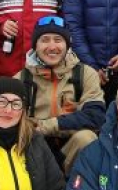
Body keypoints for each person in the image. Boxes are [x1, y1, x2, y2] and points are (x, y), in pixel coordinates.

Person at [15, 16, 105, 171]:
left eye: (58, 40)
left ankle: (79, 189)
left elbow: (96, 116)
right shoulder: (20, 79)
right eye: (45, 40)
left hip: (69, 149)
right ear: (35, 45)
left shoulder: (85, 74)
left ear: (67, 45)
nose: (52, 47)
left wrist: (48, 126)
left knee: (87, 138)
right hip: (34, 148)